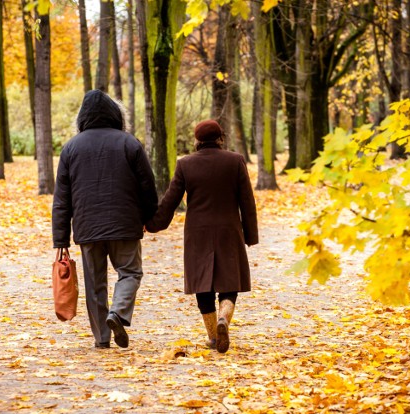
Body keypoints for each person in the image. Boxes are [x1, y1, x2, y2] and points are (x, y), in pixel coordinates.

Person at [52, 89, 158, 349]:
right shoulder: (129, 143)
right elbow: (148, 186)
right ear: (114, 114)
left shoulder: (71, 148)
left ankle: (101, 339)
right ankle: (118, 313)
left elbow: (61, 199)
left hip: (88, 228)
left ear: (82, 118)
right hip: (126, 225)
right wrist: (149, 218)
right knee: (130, 272)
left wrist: (60, 240)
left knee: (95, 284)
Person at [146, 120, 258, 353]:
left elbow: (170, 201)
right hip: (229, 229)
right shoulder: (235, 161)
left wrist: (153, 224)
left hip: (198, 233)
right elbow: (247, 201)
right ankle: (224, 321)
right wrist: (250, 234)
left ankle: (214, 338)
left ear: (196, 140)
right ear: (220, 138)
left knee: (203, 285)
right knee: (229, 283)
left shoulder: (185, 164)